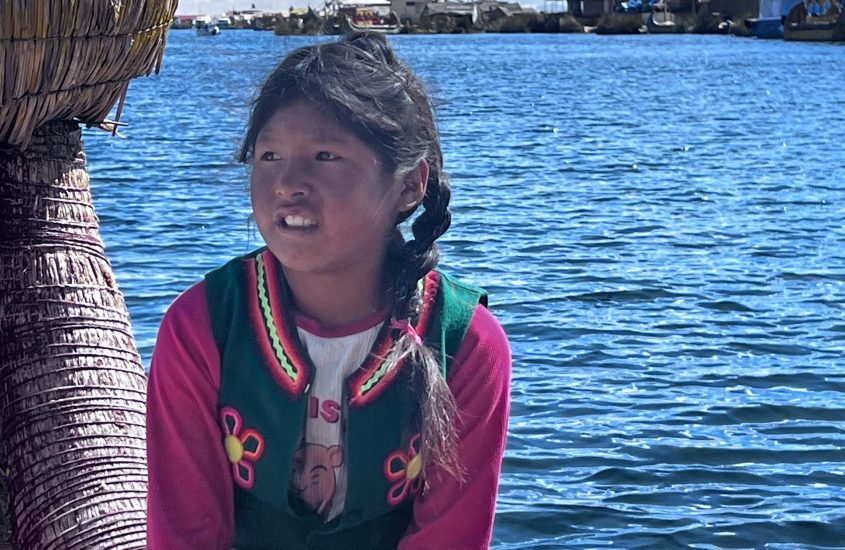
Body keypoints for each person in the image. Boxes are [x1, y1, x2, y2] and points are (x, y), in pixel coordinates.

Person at [146, 31, 511, 550]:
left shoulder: (467, 343)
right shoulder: (202, 326)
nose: (286, 182)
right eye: (269, 155)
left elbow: (450, 538)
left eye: (324, 155)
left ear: (409, 185)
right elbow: (185, 533)